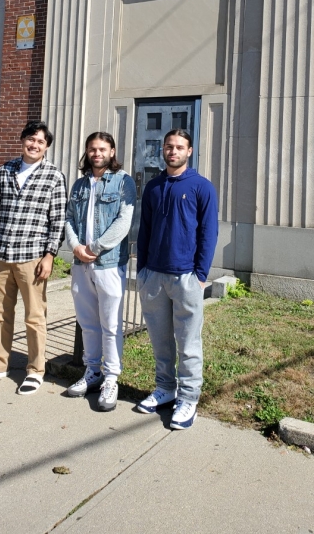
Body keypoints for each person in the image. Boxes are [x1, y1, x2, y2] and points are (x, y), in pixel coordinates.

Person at [0, 121, 66, 395]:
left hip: (32, 257)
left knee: (35, 317)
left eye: (40, 142)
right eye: (30, 139)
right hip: (0, 253)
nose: (34, 145)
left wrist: (49, 256)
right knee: (1, 314)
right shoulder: (6, 170)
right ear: (22, 140)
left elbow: (57, 221)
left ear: (46, 147)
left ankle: (35, 370)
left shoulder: (53, 176)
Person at [136, 128, 218, 429]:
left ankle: (188, 398)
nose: (173, 151)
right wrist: (143, 269)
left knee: (188, 343)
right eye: (169, 147)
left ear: (190, 151)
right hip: (153, 276)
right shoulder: (154, 187)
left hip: (185, 277)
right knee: (160, 342)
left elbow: (209, 233)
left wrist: (200, 275)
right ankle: (165, 389)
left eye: (179, 147)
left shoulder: (202, 187)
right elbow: (144, 230)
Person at [65, 132, 136, 411]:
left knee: (111, 324)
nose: (97, 153)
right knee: (87, 322)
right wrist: (75, 246)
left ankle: (111, 378)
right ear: (87, 152)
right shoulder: (79, 184)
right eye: (92, 149)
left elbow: (123, 222)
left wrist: (94, 247)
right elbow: (69, 217)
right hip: (81, 263)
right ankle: (92, 371)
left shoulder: (123, 181)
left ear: (112, 151)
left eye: (102, 149)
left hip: (108, 264)